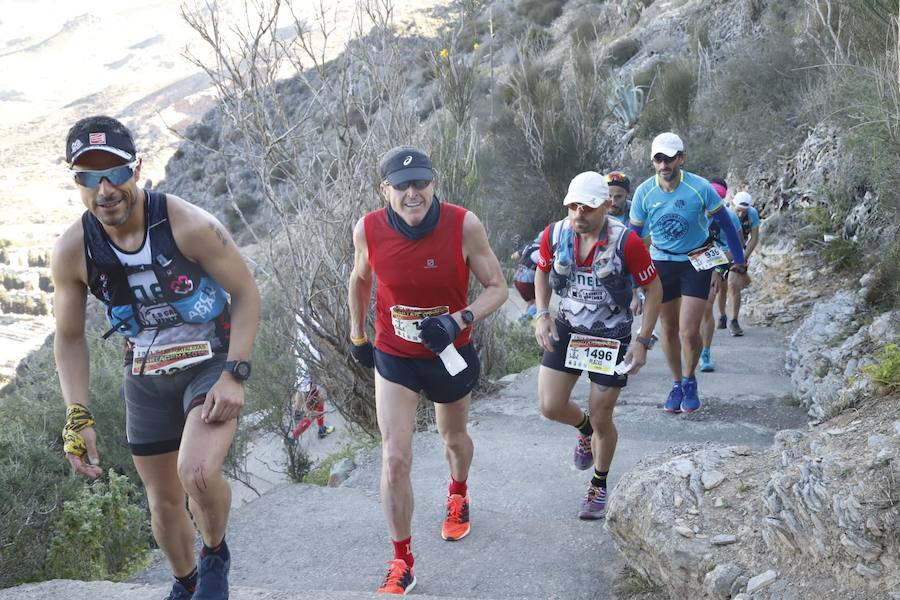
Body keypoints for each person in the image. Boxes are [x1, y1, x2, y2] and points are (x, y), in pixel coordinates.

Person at [52, 116, 261, 600]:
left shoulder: (188, 225)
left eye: (115, 172)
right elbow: (69, 338)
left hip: (210, 358)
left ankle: (214, 557)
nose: (104, 188)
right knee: (163, 503)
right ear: (76, 182)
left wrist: (236, 373)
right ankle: (185, 582)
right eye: (88, 176)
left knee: (198, 474)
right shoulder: (72, 250)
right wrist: (76, 414)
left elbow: (246, 294)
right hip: (145, 373)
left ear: (137, 169)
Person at [347, 145, 507, 595]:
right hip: (395, 355)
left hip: (448, 353)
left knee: (452, 438)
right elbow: (359, 279)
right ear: (386, 191)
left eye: (421, 182)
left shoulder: (463, 224)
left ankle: (458, 492)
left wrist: (458, 319)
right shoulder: (369, 229)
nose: (413, 193)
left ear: (434, 183)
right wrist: (358, 334)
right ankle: (402, 560)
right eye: (402, 186)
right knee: (395, 458)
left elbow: (497, 288)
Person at [533, 171, 662, 519]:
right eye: (573, 206)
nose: (579, 214)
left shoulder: (627, 243)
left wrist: (642, 341)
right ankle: (583, 430)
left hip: (610, 336)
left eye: (588, 208)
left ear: (606, 205)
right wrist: (542, 313)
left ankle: (599, 484)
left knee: (603, 413)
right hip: (568, 328)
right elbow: (542, 272)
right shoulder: (556, 233)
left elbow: (655, 290)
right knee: (549, 405)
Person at [629, 133, 748, 413]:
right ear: (652, 162)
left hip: (697, 260)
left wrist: (739, 263)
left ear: (681, 158)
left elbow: (728, 225)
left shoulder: (699, 188)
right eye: (658, 159)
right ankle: (676, 383)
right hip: (662, 262)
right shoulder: (644, 193)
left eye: (669, 158)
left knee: (687, 330)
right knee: (668, 329)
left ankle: (689, 378)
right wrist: (631, 282)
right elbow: (632, 240)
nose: (664, 165)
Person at [698, 179, 743, 372]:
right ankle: (692, 345)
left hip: (719, 260)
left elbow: (737, 245)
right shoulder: (696, 213)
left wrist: (720, 268)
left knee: (707, 306)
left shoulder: (730, 217)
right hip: (695, 259)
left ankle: (705, 352)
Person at [718, 191, 760, 337]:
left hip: (739, 251)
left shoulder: (752, 213)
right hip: (721, 252)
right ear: (733, 205)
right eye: (739, 211)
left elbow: (754, 238)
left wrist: (743, 257)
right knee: (722, 287)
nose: (741, 215)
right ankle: (722, 315)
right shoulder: (725, 212)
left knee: (733, 285)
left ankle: (734, 321)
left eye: (745, 212)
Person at [287, 378, 335, 443]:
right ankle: (293, 437)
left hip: (303, 385)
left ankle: (321, 428)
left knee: (317, 401)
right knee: (312, 414)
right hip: (309, 388)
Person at [510, 233, 542, 321]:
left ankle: (522, 323)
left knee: (530, 302)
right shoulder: (541, 250)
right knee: (539, 303)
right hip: (526, 281)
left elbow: (513, 256)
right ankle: (523, 321)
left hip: (517, 277)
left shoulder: (529, 246)